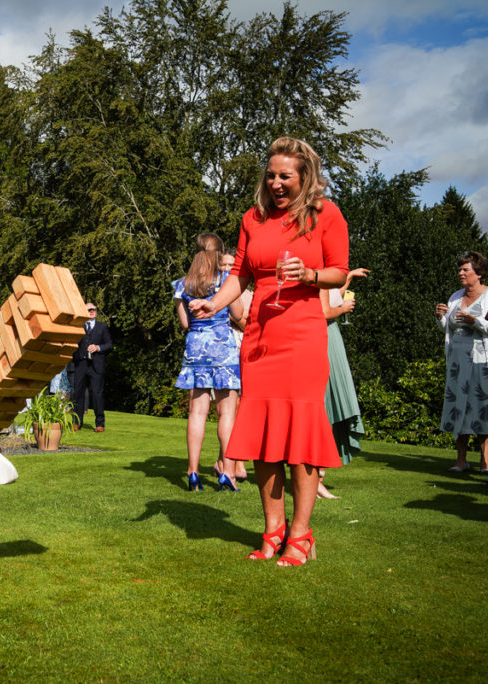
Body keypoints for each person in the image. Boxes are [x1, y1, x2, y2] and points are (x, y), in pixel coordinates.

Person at [190, 137, 349, 567]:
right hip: (260, 334)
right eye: (272, 175)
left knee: (301, 436)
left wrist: (311, 273)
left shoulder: (324, 214)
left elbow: (339, 271)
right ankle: (273, 530)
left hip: (302, 333)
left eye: (286, 176)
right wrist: (213, 304)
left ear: (304, 177)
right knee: (262, 438)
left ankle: (301, 534)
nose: (277, 183)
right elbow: (239, 274)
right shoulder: (252, 218)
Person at [173, 233, 242, 491]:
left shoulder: (183, 284)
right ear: (218, 253)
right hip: (223, 348)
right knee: (227, 413)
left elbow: (184, 323)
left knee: (197, 413)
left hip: (196, 348)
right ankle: (227, 471)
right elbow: (238, 313)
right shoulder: (227, 281)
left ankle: (192, 473)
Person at [435, 252, 488, 476]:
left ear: (480, 273)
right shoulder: (456, 296)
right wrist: (442, 318)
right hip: (458, 364)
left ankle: (485, 463)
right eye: (460, 269)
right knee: (459, 409)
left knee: (484, 409)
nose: (460, 273)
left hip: (484, 361)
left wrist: (477, 324)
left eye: (466, 270)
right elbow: (449, 329)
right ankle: (461, 460)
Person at [317, 268, 369, 498]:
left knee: (330, 407)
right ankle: (316, 478)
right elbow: (323, 311)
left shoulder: (325, 280)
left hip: (333, 337)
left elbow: (333, 294)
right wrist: (343, 309)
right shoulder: (317, 278)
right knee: (326, 407)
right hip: (325, 337)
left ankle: (318, 476)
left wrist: (348, 278)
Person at [217, 248, 250, 482]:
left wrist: (236, 317)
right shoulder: (211, 290)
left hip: (244, 351)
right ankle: (229, 461)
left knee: (241, 408)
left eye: (231, 265)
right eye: (224, 265)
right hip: (220, 354)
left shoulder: (248, 293)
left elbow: (251, 323)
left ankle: (232, 460)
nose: (228, 269)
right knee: (227, 409)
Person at [71, 302, 112, 431]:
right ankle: (76, 422)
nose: (91, 311)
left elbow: (109, 345)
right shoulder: (78, 327)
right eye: (89, 310)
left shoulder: (102, 327)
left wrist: (98, 347)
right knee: (78, 394)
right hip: (81, 365)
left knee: (97, 394)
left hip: (97, 366)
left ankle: (100, 424)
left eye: (93, 309)